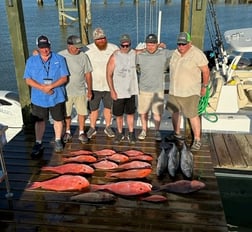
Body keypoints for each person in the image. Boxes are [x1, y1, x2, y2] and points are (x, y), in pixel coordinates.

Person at [23, 35, 69, 158]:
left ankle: (58, 139)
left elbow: (64, 78)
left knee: (58, 119)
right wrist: (42, 88)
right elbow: (28, 79)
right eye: (42, 47)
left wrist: (51, 86)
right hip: (39, 98)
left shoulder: (60, 59)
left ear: (50, 46)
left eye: (46, 47)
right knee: (39, 121)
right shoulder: (31, 61)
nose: (45, 50)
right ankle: (38, 142)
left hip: (57, 96)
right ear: (38, 48)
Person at [166, 32, 210, 151]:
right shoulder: (175, 53)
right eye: (179, 44)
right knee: (174, 112)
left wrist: (204, 87)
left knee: (192, 115)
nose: (180, 46)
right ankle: (176, 134)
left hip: (190, 92)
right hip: (174, 90)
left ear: (190, 43)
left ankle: (197, 139)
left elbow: (206, 71)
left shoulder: (197, 54)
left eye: (183, 44)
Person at [136, 33, 172, 141]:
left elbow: (178, 52)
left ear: (157, 44)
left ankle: (157, 131)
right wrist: (139, 50)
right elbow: (127, 54)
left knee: (157, 113)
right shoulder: (140, 55)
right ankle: (144, 130)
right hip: (144, 89)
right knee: (143, 112)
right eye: (148, 44)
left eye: (153, 44)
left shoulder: (163, 53)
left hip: (157, 90)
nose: (150, 46)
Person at [85, 27, 119, 139]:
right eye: (98, 39)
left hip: (109, 86)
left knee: (108, 108)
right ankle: (92, 128)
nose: (101, 41)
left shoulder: (114, 48)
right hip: (94, 85)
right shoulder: (87, 49)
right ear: (94, 40)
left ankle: (108, 127)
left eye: (103, 38)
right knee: (93, 109)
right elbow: (75, 56)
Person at [58, 35, 93, 144]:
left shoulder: (83, 56)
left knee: (82, 112)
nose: (78, 49)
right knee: (67, 113)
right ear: (69, 46)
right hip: (65, 91)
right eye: (76, 47)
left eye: (79, 47)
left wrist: (90, 90)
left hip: (81, 90)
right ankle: (67, 131)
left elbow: (88, 74)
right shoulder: (60, 55)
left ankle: (81, 132)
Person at [106, 34, 138, 144]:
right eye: (123, 46)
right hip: (118, 92)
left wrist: (158, 45)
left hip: (131, 91)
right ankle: (119, 133)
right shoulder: (114, 56)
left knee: (130, 114)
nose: (125, 48)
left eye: (127, 45)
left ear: (130, 45)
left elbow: (144, 50)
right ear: (120, 45)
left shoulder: (134, 53)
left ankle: (131, 132)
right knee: (118, 115)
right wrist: (112, 90)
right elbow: (108, 74)